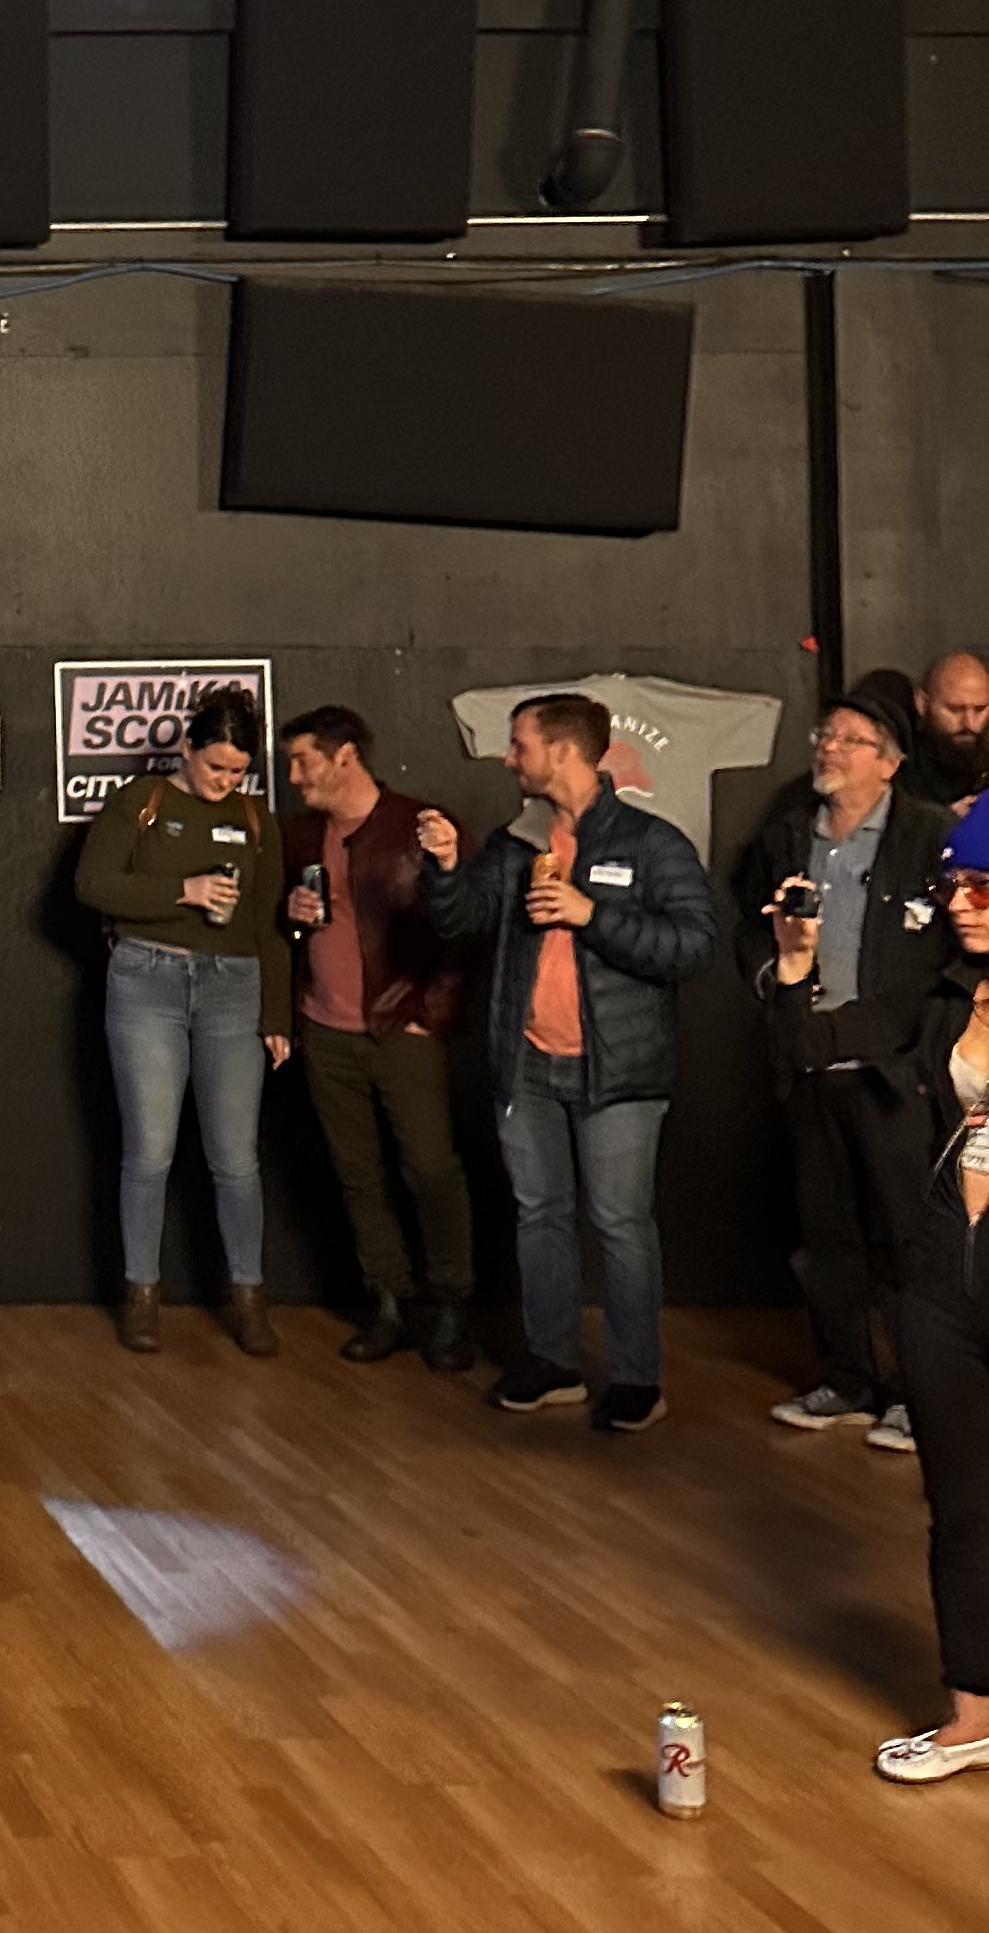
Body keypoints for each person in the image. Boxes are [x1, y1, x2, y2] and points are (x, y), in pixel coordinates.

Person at [418, 691, 718, 1432]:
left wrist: (593, 914)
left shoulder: (652, 844)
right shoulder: (519, 839)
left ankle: (636, 1378)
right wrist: (448, 866)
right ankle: (551, 1362)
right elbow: (460, 920)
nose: (507, 756)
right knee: (538, 1215)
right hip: (527, 1066)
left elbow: (693, 947)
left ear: (561, 751)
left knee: (619, 1222)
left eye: (519, 744)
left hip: (618, 1070)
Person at [770, 795, 989, 1783]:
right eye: (954, 886)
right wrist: (792, 961)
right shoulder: (941, 998)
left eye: (984, 887)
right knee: (961, 1504)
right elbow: (806, 1046)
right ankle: (973, 1714)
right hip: (944, 1270)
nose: (962, 904)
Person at [734, 675, 945, 1444]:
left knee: (905, 1244)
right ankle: (847, 1379)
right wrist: (776, 975)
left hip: (893, 1076)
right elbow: (749, 929)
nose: (828, 748)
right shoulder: (790, 831)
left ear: (888, 763)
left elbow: (939, 965)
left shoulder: (926, 837)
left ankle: (916, 1396)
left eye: (848, 740)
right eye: (825, 735)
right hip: (807, 1070)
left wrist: (861, 1034)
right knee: (826, 1242)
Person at [75, 683, 292, 1357]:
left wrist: (276, 1015)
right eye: (214, 767)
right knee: (150, 1151)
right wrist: (183, 892)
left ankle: (249, 1295)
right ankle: (143, 1292)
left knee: (235, 1157)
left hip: (235, 989)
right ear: (186, 749)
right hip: (148, 980)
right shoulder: (142, 801)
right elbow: (93, 885)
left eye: (237, 771)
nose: (225, 781)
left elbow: (269, 924)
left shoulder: (258, 820)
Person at [276, 705, 478, 1373]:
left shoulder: (420, 826)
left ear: (345, 756)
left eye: (304, 760)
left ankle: (451, 1303)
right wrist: (290, 914)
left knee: (430, 1168)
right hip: (327, 1031)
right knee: (357, 1175)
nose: (295, 775)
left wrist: (432, 1015)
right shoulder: (301, 836)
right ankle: (390, 1303)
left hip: (401, 1029)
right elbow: (285, 932)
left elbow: (465, 926)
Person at [903, 649, 989, 816]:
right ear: (922, 703)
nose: (969, 723)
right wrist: (943, 822)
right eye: (955, 709)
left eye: (980, 709)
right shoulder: (898, 767)